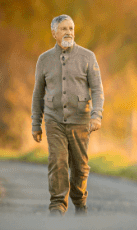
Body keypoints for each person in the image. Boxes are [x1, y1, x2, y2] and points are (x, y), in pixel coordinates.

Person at [30, 15, 104, 216]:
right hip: (54, 120)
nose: (69, 32)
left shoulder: (87, 57)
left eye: (71, 28)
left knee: (80, 166)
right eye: (63, 29)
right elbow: (38, 93)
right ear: (54, 33)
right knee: (58, 161)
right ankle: (57, 204)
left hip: (81, 121)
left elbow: (97, 89)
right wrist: (36, 123)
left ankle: (79, 200)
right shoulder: (44, 59)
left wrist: (96, 115)